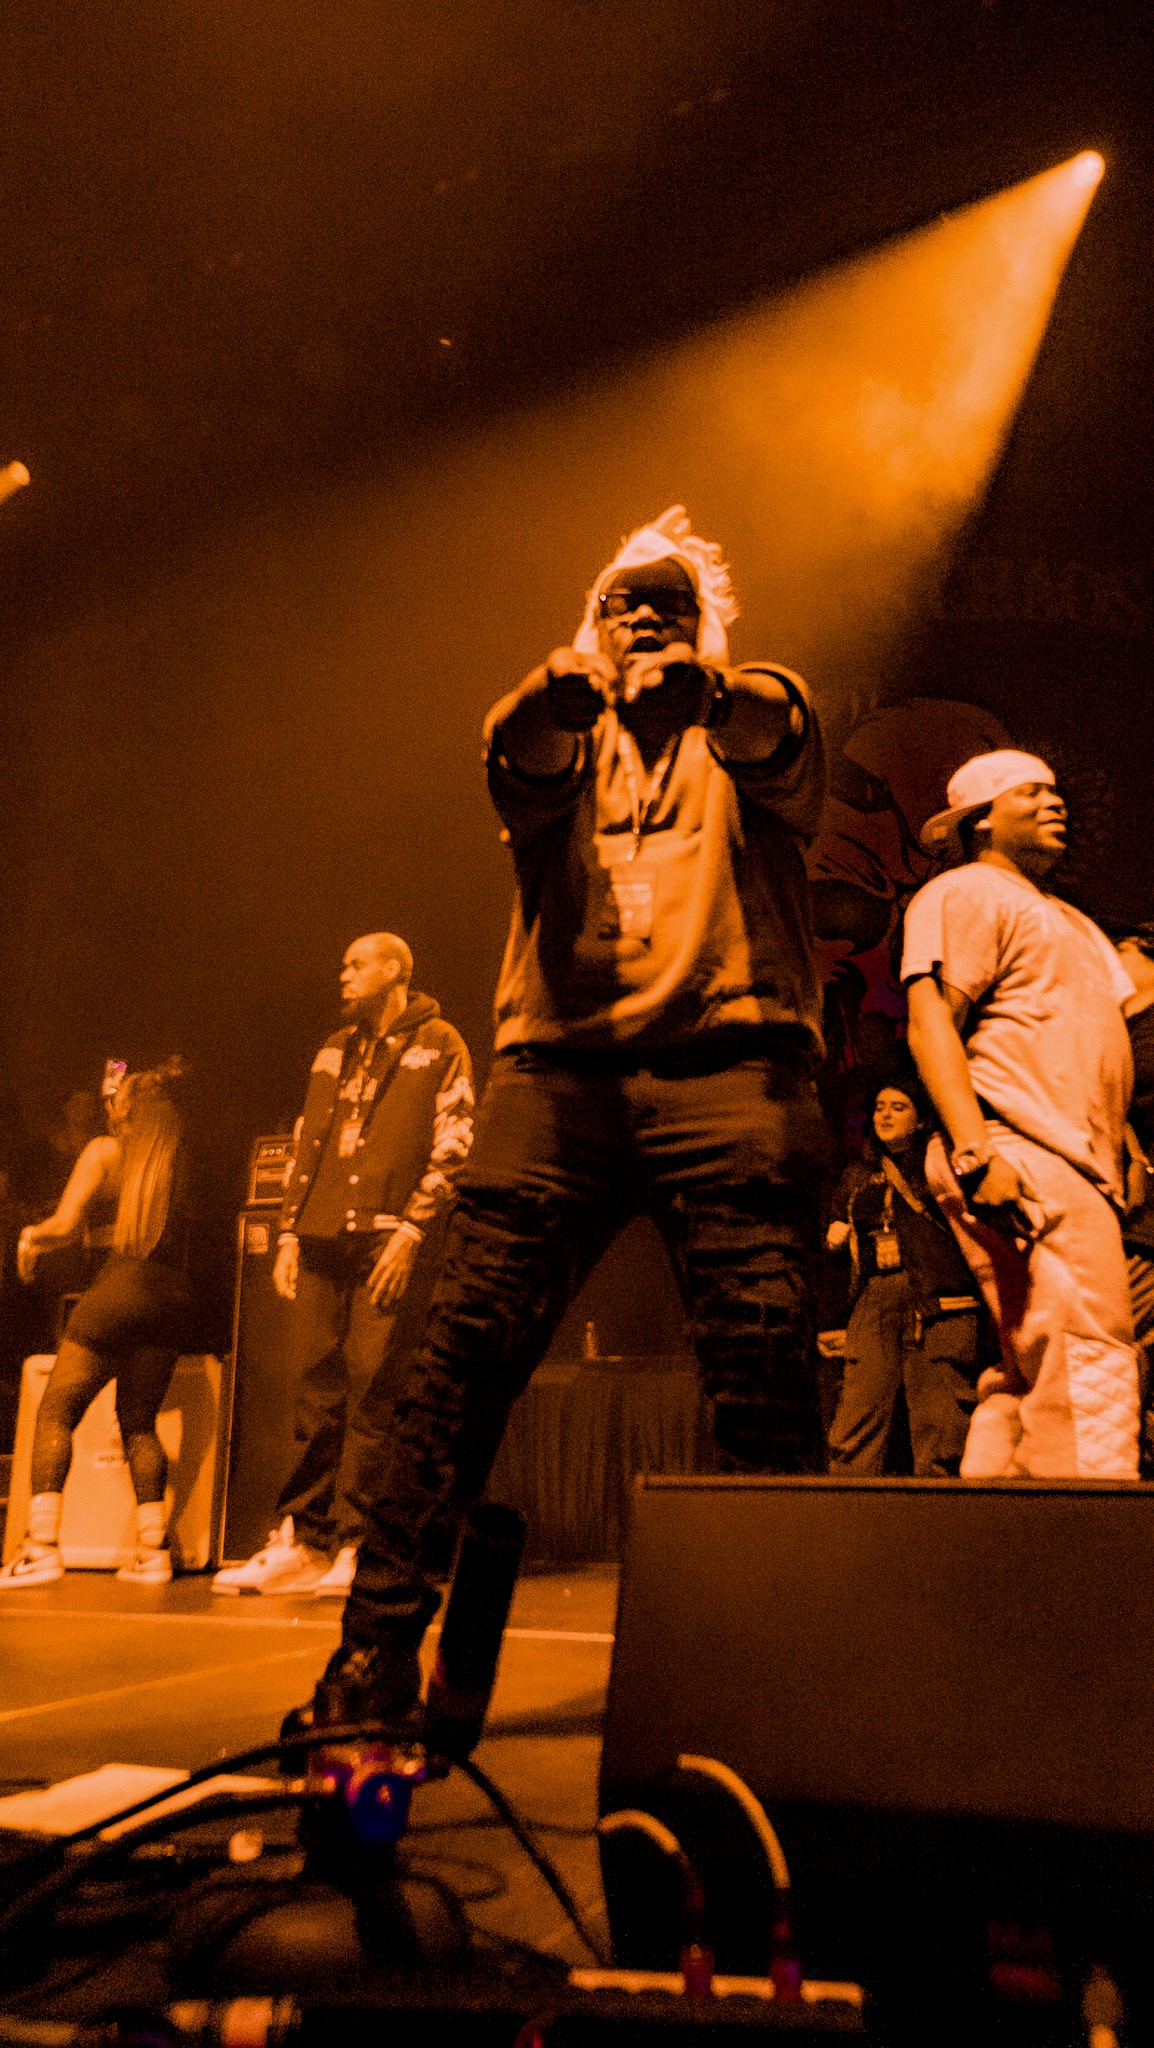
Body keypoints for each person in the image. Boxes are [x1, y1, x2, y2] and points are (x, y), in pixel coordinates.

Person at [289, 503, 833, 1731]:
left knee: (762, 1383)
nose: (641, 618)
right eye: (617, 603)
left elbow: (777, 728)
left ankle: (785, 1692)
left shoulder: (748, 717)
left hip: (729, 1071)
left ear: (707, 625)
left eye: (668, 601)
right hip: (558, 1082)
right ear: (587, 627)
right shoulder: (559, 734)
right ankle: (370, 1660)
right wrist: (561, 689)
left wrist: (706, 688)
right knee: (453, 1371)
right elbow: (517, 748)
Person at [212, 933, 474, 1597]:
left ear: (394, 970)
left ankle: (360, 1542)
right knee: (313, 1387)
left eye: (357, 965)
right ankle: (302, 1539)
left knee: (375, 1388)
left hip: (387, 1238)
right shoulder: (335, 1046)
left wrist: (414, 1228)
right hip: (322, 1235)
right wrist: (288, 1231)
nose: (343, 975)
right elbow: (308, 1138)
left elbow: (456, 1140)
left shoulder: (440, 1041)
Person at [902, 750, 1139, 1479]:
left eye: (1055, 792)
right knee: (1088, 1347)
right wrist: (976, 1151)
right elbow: (930, 1022)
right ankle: (1086, 1530)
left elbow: (1098, 1041)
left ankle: (996, 1508)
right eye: (1030, 794)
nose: (1053, 802)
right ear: (979, 821)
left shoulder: (1071, 922)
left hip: (1067, 1159)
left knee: (1030, 1358)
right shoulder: (965, 891)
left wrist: (1126, 1149)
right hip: (1018, 1144)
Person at [1, 1057, 199, 1586]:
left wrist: (30, 1237)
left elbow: (65, 1225)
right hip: (172, 1301)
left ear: (123, 1110)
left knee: (55, 1414)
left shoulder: (105, 1151)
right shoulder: (175, 1159)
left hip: (118, 1293)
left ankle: (41, 1549)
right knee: (138, 1423)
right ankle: (152, 1552)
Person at [825, 1073, 982, 1475]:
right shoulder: (859, 1173)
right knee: (858, 1411)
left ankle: (938, 1506)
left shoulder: (940, 1162)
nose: (885, 1115)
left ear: (921, 1118)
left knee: (940, 1415)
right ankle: (847, 1501)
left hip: (935, 1295)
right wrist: (836, 1233)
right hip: (875, 1296)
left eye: (899, 1107)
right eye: (880, 1107)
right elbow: (838, 1223)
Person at [1108, 922, 1154, 1471]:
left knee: (1121, 1334)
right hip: (1127, 1215)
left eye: (1120, 948)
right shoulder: (1121, 1029)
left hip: (1144, 1221)